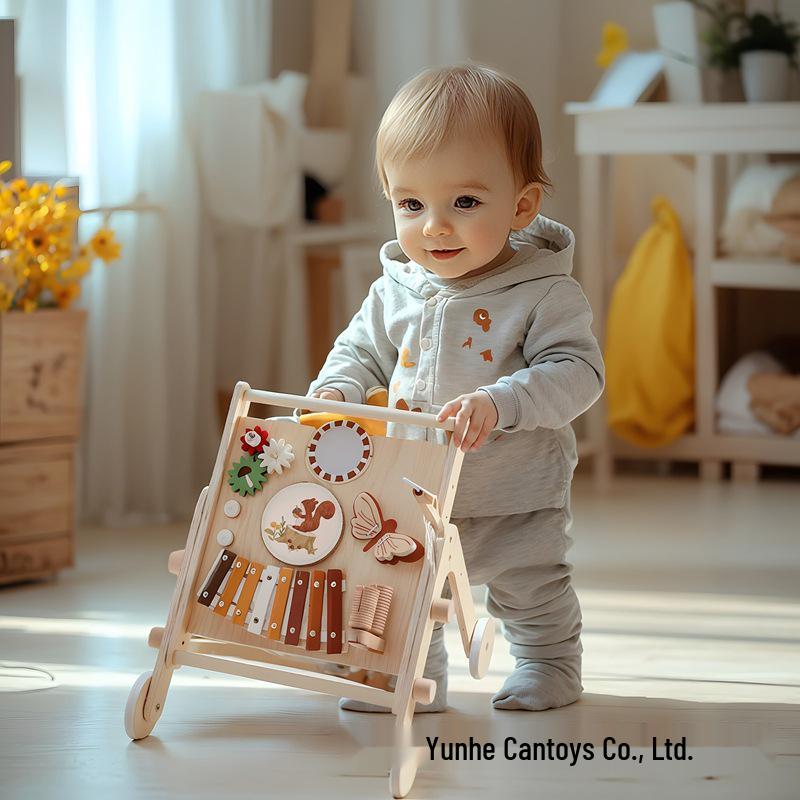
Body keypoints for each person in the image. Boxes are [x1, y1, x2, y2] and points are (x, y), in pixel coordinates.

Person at [308, 64, 604, 712]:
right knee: (405, 584)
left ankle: (551, 662)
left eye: (464, 203)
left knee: (530, 586)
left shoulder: (546, 293)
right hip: (411, 489)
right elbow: (359, 351)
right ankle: (412, 674)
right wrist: (337, 391)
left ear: (522, 206)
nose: (435, 227)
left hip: (514, 491)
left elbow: (578, 373)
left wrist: (502, 402)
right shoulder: (395, 290)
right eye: (411, 205)